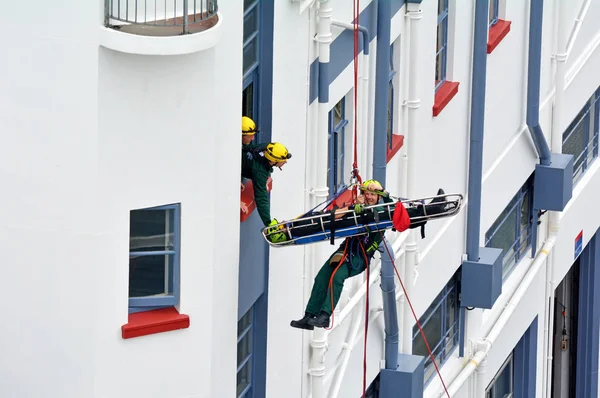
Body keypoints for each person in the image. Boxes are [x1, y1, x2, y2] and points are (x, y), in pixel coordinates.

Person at [290, 180, 393, 330]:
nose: (370, 197)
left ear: (379, 197)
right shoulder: (358, 208)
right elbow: (340, 218)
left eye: (373, 194)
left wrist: (383, 192)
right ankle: (309, 316)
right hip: (345, 250)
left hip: (360, 257)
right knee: (322, 277)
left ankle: (325, 316)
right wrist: (353, 207)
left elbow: (393, 207)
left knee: (337, 277)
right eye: (367, 193)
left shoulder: (384, 212)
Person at [241, 142, 292, 227]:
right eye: (282, 160)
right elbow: (261, 198)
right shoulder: (260, 171)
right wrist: (269, 224)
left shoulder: (266, 147)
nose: (285, 162)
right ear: (272, 161)